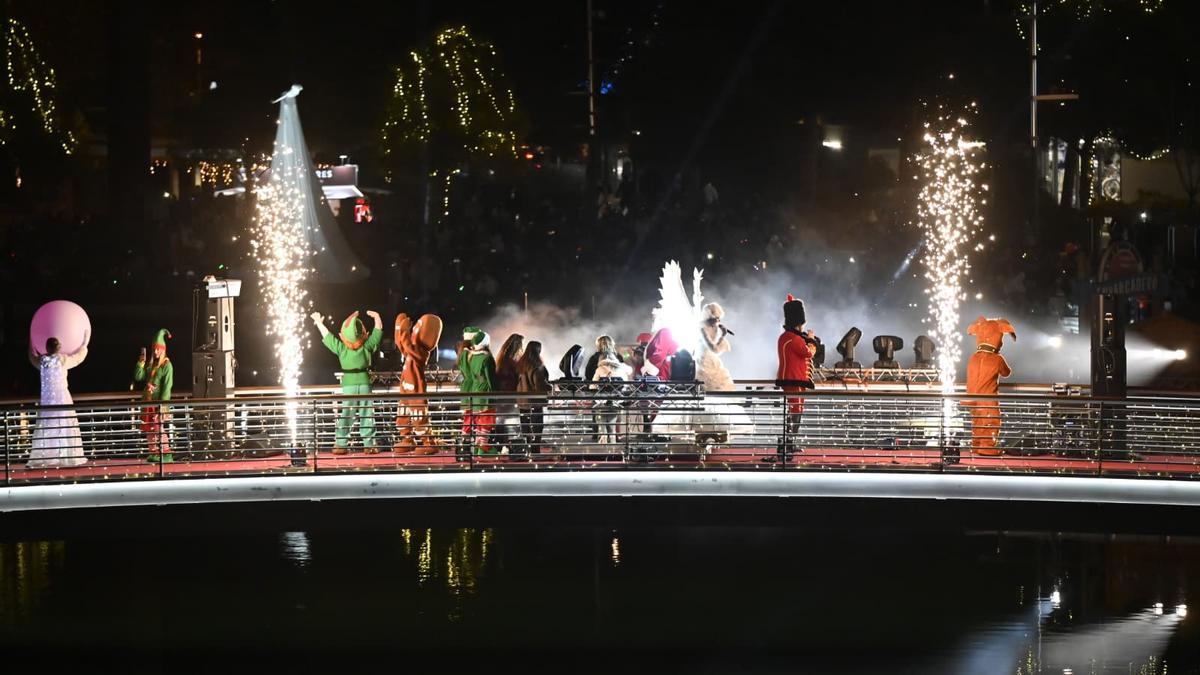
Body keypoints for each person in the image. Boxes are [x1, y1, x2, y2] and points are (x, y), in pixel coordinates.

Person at [311, 310, 384, 455]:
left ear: (342, 335)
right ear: (364, 334)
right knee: (367, 414)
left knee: (346, 414)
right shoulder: (367, 347)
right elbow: (377, 332)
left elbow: (328, 336)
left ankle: (341, 444)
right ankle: (369, 444)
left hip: (349, 385)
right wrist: (377, 317)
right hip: (364, 383)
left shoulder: (342, 349)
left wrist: (319, 323)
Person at [27, 331, 90, 468]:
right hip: (62, 398)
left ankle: (48, 456)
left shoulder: (42, 361)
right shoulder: (63, 360)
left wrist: (31, 341)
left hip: (47, 399)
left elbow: (32, 356)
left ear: (46, 347)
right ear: (59, 347)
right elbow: (78, 358)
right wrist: (84, 343)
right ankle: (67, 456)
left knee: (48, 426)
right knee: (65, 425)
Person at [393, 312, 443, 455]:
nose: (414, 329)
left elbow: (407, 346)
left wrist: (404, 331)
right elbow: (402, 346)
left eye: (417, 327)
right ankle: (407, 439)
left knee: (418, 416)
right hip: (406, 388)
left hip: (416, 389)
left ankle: (428, 442)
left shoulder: (421, 352)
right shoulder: (411, 350)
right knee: (402, 414)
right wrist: (398, 329)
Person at [775, 295, 818, 460]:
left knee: (791, 412)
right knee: (796, 412)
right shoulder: (795, 339)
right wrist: (812, 340)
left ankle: (790, 442)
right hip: (795, 379)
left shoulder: (785, 337)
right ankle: (789, 444)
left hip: (789, 378)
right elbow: (809, 353)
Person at [966, 316, 1016, 456]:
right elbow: (1006, 373)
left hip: (971, 397)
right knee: (991, 421)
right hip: (988, 398)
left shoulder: (973, 358)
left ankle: (976, 445)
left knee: (977, 421)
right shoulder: (997, 359)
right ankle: (987, 447)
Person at [134, 329, 175, 463]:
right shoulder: (151, 365)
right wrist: (141, 363)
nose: (156, 352)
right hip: (147, 401)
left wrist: (162, 406)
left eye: (158, 349)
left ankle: (166, 454)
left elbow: (167, 387)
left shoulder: (167, 365)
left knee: (158, 428)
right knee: (149, 429)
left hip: (158, 403)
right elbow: (138, 377)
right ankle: (154, 453)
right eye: (154, 349)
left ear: (163, 349)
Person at [459, 327, 497, 455]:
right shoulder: (485, 357)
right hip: (482, 389)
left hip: (472, 388)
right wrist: (495, 392)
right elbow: (490, 378)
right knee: (485, 418)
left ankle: (468, 446)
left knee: (471, 418)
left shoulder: (469, 354)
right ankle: (482, 447)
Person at [516, 341, 551, 454]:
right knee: (537, 426)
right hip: (535, 402)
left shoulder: (521, 365)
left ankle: (527, 449)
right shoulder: (537, 366)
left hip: (522, 401)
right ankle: (535, 451)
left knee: (525, 426)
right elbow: (539, 385)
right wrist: (550, 387)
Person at [493, 333, 525, 453]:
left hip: (501, 395)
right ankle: (511, 446)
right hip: (510, 395)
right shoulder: (512, 363)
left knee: (501, 421)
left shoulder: (501, 359)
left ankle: (500, 446)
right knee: (512, 421)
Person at [697, 302, 734, 391]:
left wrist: (720, 334)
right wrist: (722, 336)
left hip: (713, 361)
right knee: (710, 388)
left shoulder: (715, 328)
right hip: (705, 364)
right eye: (716, 318)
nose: (718, 321)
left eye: (719, 318)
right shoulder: (702, 328)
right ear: (709, 317)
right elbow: (714, 349)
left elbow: (716, 350)